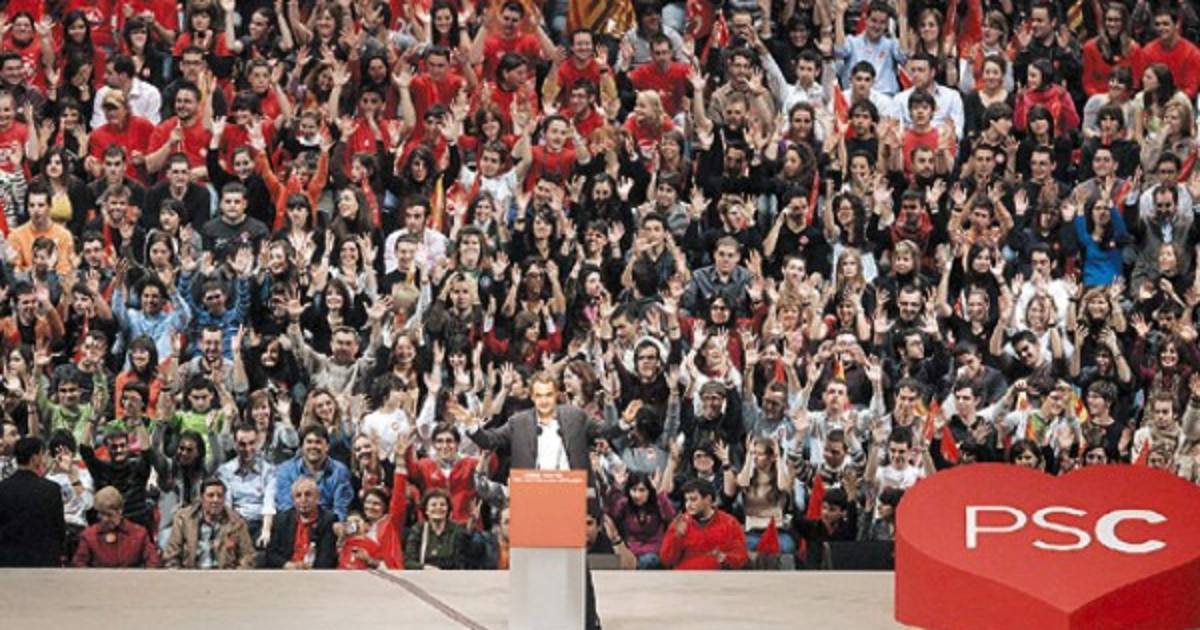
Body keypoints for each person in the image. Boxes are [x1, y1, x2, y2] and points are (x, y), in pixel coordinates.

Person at [162, 477, 257, 569]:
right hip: (191, 575)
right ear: (201, 497)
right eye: (210, 495)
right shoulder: (184, 519)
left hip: (225, 576)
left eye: (220, 496)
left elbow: (247, 557)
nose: (215, 500)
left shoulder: (236, 522)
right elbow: (172, 555)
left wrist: (236, 576)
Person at [0, 437, 65, 566]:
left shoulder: (2, 488)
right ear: (35, 458)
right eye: (43, 454)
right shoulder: (51, 490)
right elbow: (59, 528)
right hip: (44, 560)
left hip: (8, 561)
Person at [659, 478, 748, 570]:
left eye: (693, 499)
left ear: (708, 499)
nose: (688, 505)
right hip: (685, 576)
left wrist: (724, 558)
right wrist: (676, 537)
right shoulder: (679, 523)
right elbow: (666, 560)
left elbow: (741, 557)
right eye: (686, 500)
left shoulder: (729, 523)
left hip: (718, 577)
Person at [72, 486, 161, 568]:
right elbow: (79, 564)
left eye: (109, 515)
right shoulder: (88, 536)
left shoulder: (139, 534)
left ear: (120, 511)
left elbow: (153, 562)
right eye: (101, 514)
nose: (104, 519)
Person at [264, 477, 338, 569]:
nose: (303, 499)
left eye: (308, 494)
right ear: (293, 500)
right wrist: (287, 565)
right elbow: (271, 554)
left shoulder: (328, 520)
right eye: (298, 496)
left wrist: (308, 570)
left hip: (316, 573)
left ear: (317, 497)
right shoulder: (282, 520)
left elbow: (326, 557)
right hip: (287, 572)